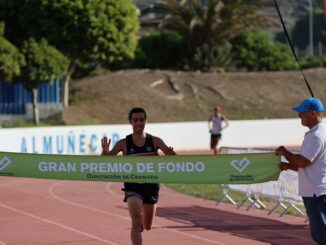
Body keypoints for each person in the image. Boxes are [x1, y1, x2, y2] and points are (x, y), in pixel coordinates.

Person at [101, 107, 176, 245]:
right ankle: (137, 225)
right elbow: (105, 162)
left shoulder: (155, 141)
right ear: (130, 122)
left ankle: (142, 224)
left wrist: (171, 155)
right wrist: (105, 152)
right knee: (135, 222)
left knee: (147, 226)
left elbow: (172, 158)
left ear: (146, 121)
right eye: (135, 120)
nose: (138, 123)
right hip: (132, 186)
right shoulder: (123, 143)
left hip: (151, 186)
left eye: (141, 120)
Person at [275, 97, 326, 245]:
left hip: (317, 193)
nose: (299, 116)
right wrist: (288, 166)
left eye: (302, 112)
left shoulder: (317, 135)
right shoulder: (317, 133)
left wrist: (285, 152)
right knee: (319, 234)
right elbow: (308, 164)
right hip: (316, 191)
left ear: (313, 113)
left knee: (321, 235)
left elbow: (303, 162)